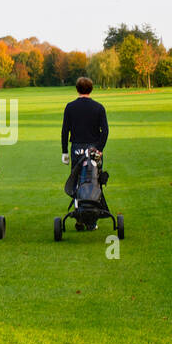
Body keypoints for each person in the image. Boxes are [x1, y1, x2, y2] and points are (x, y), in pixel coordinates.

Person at [61, 76, 108, 230]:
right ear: (91, 89)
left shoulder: (70, 107)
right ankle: (92, 220)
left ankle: (79, 218)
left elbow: (65, 131)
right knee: (95, 181)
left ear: (77, 89)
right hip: (94, 149)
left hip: (77, 149)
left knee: (77, 182)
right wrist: (99, 149)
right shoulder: (99, 107)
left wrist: (64, 151)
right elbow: (105, 131)